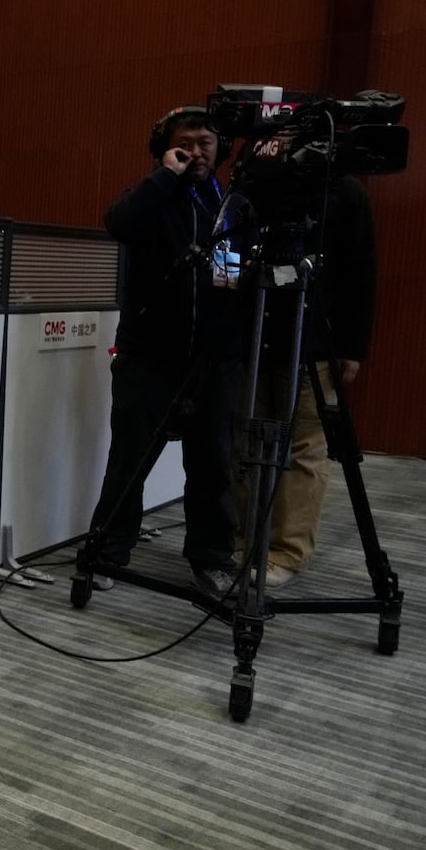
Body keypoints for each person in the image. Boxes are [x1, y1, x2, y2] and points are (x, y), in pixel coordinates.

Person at [86, 106, 244, 598]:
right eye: (186, 143)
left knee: (213, 464)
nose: (197, 151)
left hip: (210, 361)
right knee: (130, 460)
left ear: (222, 150)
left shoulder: (226, 206)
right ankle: (106, 553)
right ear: (167, 148)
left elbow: (229, 276)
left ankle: (211, 557)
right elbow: (120, 224)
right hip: (148, 355)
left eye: (206, 143)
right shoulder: (153, 196)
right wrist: (164, 176)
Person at [240, 174, 376, 588]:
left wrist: (351, 347)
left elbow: (361, 272)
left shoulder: (345, 192)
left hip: (315, 341)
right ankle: (244, 540)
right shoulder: (254, 183)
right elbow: (231, 250)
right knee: (247, 444)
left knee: (303, 449)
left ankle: (286, 551)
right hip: (253, 336)